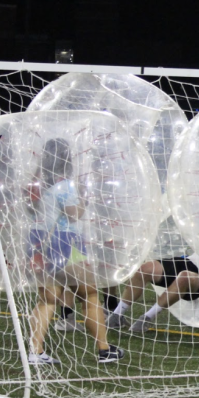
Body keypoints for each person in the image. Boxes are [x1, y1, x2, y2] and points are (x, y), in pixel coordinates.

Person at [25, 137, 122, 365]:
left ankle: (35, 351)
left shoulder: (35, 185)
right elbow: (73, 214)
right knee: (89, 295)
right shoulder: (65, 185)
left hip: (38, 243)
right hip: (65, 243)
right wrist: (86, 199)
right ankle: (104, 349)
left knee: (48, 299)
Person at [106, 253, 199, 333]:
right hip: (187, 261)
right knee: (144, 269)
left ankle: (146, 319)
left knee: (185, 277)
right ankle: (117, 315)